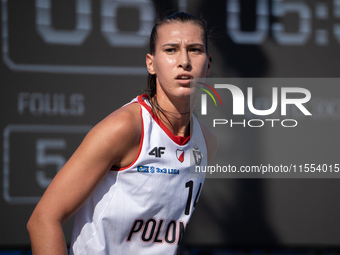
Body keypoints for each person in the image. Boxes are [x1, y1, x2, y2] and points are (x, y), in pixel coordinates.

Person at [27, 12, 218, 255]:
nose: (184, 61)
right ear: (151, 63)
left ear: (208, 64)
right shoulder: (124, 128)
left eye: (195, 49)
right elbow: (43, 221)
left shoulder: (207, 142)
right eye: (171, 49)